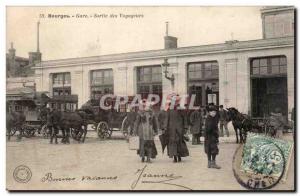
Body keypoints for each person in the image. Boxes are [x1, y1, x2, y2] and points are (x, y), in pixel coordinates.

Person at [162, 95, 189, 163]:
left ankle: (179, 156)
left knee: (179, 143)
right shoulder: (169, 110)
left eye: (176, 101)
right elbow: (166, 119)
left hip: (180, 130)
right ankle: (175, 157)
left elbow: (185, 119)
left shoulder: (181, 109)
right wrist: (165, 128)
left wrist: (185, 127)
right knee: (173, 143)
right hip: (171, 130)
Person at [204, 105, 221, 169]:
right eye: (213, 112)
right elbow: (209, 129)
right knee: (214, 150)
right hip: (212, 137)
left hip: (208, 137)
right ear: (210, 112)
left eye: (215, 112)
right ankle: (213, 164)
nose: (214, 113)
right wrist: (215, 133)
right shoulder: (210, 119)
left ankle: (209, 164)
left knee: (209, 150)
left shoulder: (209, 118)